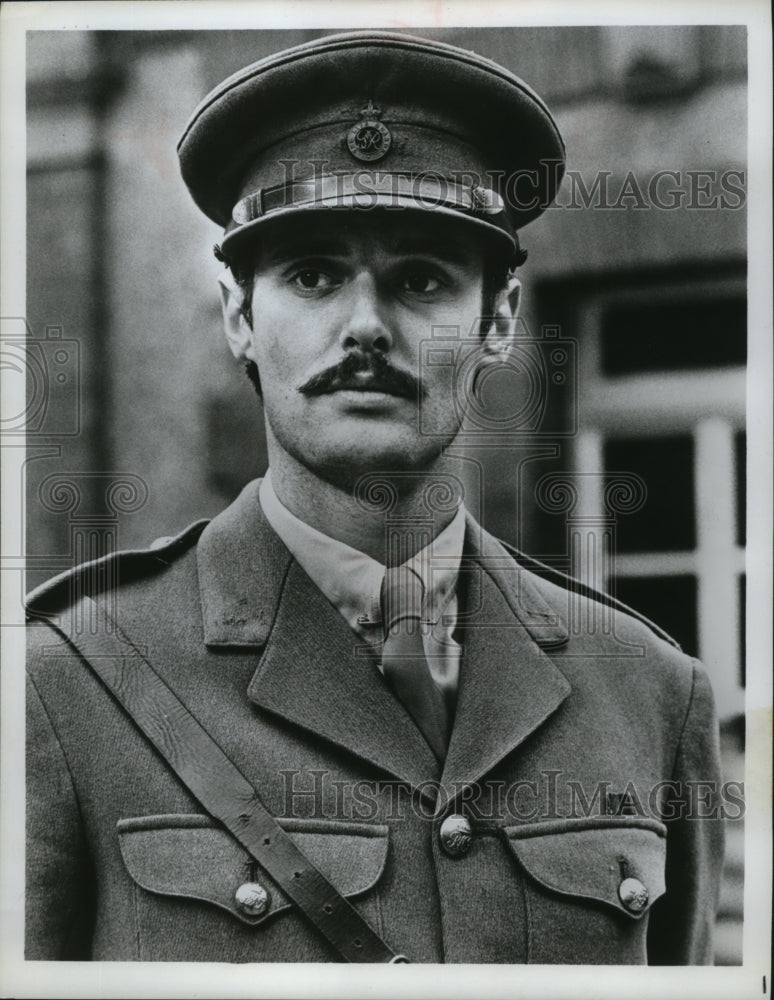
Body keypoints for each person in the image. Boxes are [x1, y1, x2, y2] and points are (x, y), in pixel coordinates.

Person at [25, 30, 723, 964]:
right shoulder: (67, 684)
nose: (365, 326)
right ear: (240, 316)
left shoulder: (649, 691)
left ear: (499, 319)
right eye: (313, 275)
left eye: (421, 278)